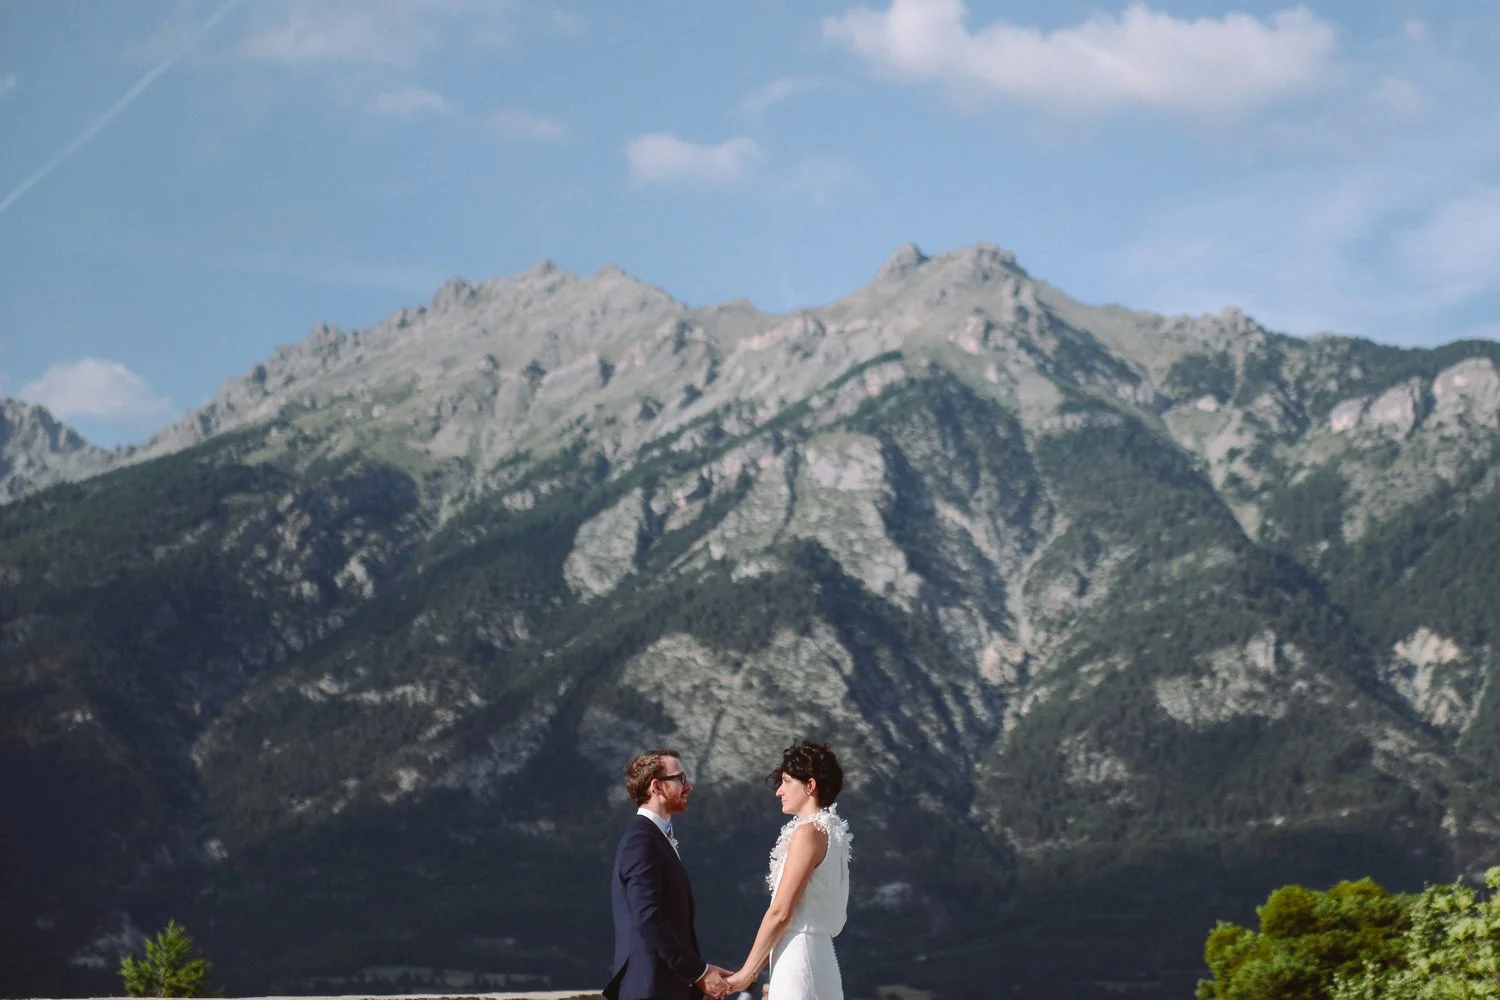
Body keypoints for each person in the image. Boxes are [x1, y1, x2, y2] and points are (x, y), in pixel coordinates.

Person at [722, 741, 850, 1000]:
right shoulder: (833, 832)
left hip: (798, 959)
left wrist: (746, 973)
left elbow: (781, 913)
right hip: (820, 957)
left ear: (810, 786)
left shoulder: (809, 834)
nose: (779, 791)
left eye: (787, 781)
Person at [605, 748, 730, 1000]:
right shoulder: (641, 841)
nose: (689, 787)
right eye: (680, 779)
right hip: (650, 989)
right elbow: (648, 917)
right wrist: (699, 973)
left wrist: (700, 971)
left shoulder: (653, 838)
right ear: (657, 786)